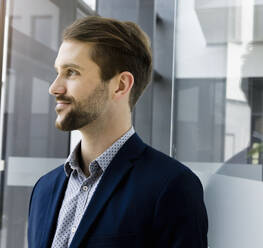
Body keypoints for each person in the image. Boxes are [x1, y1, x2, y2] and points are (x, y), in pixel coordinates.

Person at [27, 16, 208, 248]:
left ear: (121, 85)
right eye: (58, 72)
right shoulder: (44, 188)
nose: (54, 88)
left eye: (71, 72)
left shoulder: (172, 186)